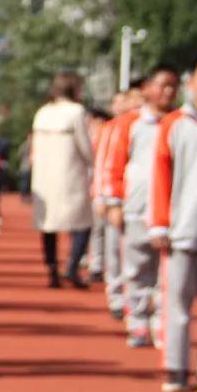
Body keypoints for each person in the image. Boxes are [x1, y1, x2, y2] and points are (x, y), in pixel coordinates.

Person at [148, 49, 197, 392]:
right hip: (182, 228)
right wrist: (159, 223)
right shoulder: (174, 124)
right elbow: (159, 176)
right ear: (192, 83)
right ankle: (176, 366)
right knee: (178, 302)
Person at [106, 64, 180, 348]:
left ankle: (162, 322)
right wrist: (112, 201)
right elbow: (114, 162)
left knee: (167, 274)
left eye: (173, 85)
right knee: (136, 269)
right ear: (147, 89)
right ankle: (137, 322)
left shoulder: (181, 122)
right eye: (162, 85)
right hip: (136, 207)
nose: (168, 91)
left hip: (172, 210)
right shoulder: (130, 123)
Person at [30, 70, 94, 288]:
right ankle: (72, 266)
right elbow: (85, 146)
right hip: (70, 174)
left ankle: (52, 269)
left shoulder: (43, 112)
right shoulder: (76, 112)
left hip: (44, 175)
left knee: (48, 225)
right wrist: (92, 163)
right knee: (83, 222)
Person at [97, 81, 144, 319]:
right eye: (133, 96)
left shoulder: (159, 122)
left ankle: (142, 304)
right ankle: (117, 296)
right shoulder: (118, 125)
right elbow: (106, 163)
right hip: (120, 198)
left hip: (146, 202)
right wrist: (105, 196)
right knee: (115, 250)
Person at [85, 107, 113, 284]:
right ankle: (95, 263)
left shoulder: (109, 134)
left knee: (104, 228)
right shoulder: (86, 137)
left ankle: (104, 264)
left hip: (104, 187)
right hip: (89, 184)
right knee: (95, 228)